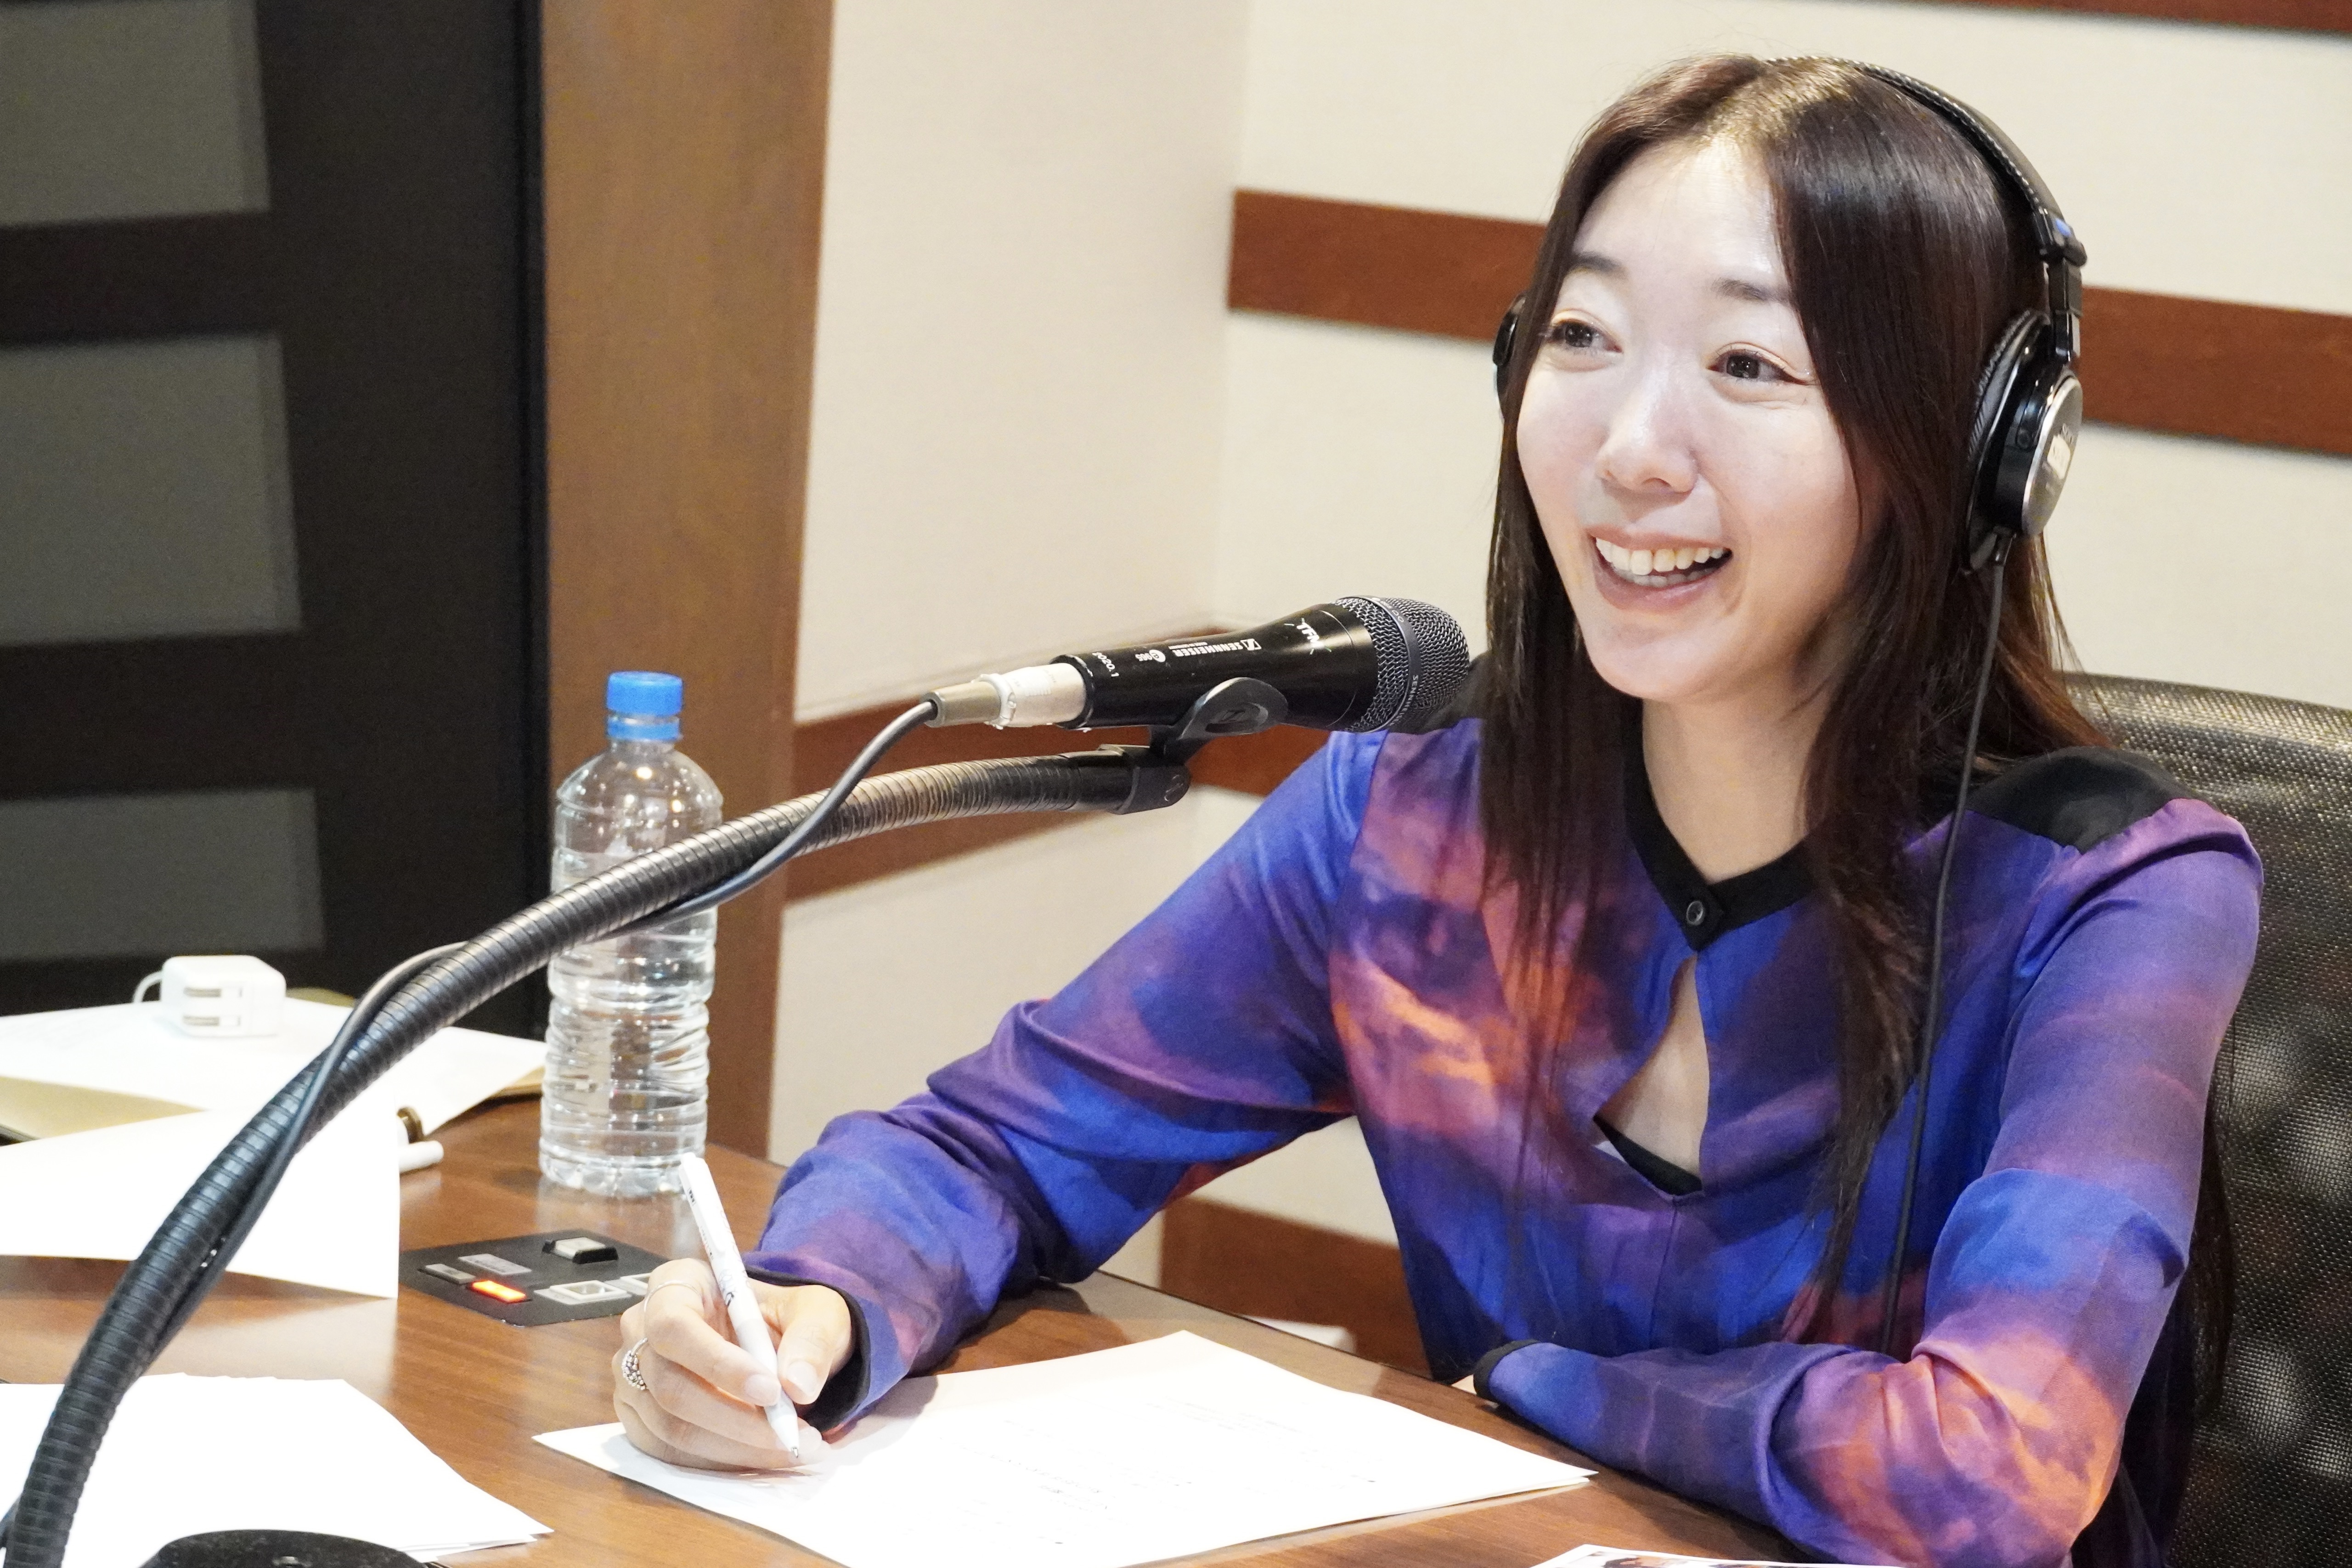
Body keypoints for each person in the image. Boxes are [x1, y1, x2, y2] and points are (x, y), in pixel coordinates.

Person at [606, 56, 2258, 1568]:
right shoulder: (1410, 818)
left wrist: (1547, 1381)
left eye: (1748, 364)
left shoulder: (2119, 900)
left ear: (1974, 451)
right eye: (1581, 338)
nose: (1627, 449)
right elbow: (999, 1146)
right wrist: (817, 1303)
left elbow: (1984, 1476)